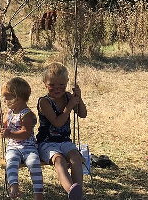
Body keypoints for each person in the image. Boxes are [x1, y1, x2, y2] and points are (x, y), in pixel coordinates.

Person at [36, 62, 87, 200]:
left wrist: (78, 98)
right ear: (45, 83)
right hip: (47, 143)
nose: (57, 89)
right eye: (52, 85)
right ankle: (72, 191)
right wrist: (69, 107)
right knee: (59, 161)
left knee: (76, 158)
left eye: (62, 85)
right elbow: (57, 123)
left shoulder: (68, 97)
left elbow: (83, 114)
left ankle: (78, 192)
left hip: (65, 141)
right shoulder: (44, 102)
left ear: (67, 83)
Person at [0, 77, 43, 200]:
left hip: (28, 147)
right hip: (13, 147)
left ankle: (38, 193)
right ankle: (14, 186)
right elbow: (4, 128)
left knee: (34, 163)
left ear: (17, 98)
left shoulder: (27, 115)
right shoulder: (10, 112)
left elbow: (26, 133)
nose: (4, 100)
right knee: (11, 162)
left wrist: (10, 134)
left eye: (7, 97)